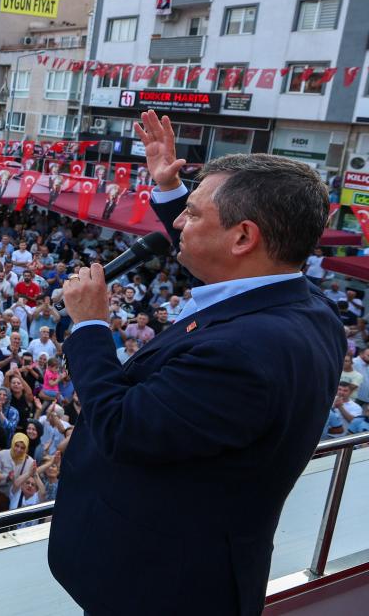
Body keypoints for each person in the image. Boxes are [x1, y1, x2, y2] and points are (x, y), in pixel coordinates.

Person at [49, 111, 345, 616]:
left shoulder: (243, 353)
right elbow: (227, 266)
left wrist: (92, 327)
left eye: (192, 214)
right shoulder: (302, 307)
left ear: (244, 237)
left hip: (158, 585)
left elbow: (123, 426)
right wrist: (170, 189)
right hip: (188, 563)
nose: (177, 225)